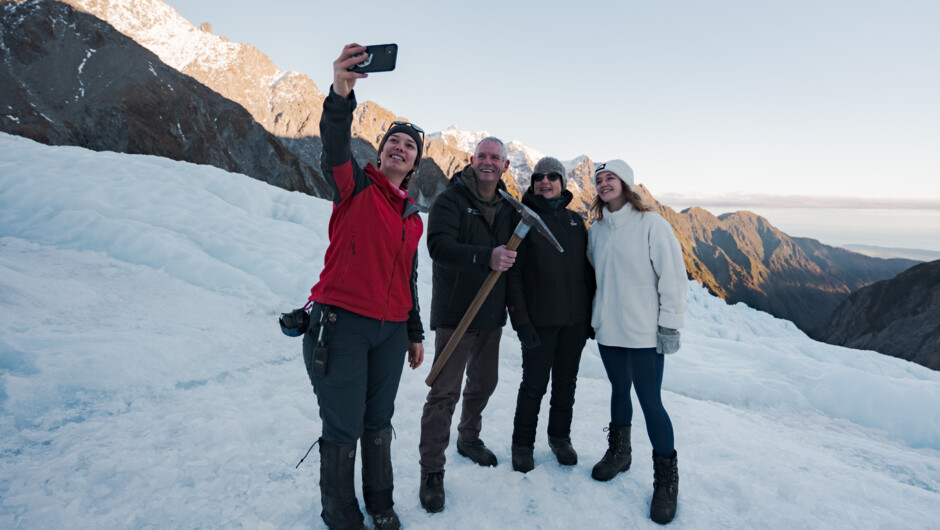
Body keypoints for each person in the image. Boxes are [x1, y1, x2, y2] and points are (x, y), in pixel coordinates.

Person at [301, 43, 425, 530]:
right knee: (344, 423)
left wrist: (413, 331)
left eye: (409, 146)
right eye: (393, 141)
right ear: (381, 151)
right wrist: (340, 93)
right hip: (342, 324)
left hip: (390, 332)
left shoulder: (411, 217)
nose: (399, 148)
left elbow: (408, 279)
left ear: (416, 164)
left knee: (378, 421)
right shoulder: (354, 185)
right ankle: (340, 512)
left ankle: (380, 501)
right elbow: (334, 140)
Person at [417, 136, 517, 513]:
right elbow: (439, 248)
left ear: (505, 166)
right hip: (457, 313)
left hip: (491, 316)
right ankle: (431, 472)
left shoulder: (510, 208)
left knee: (485, 382)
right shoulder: (450, 200)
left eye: (496, 158)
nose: (489, 162)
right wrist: (484, 257)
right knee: (444, 393)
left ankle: (468, 437)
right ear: (471, 160)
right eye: (483, 156)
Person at [586, 159, 687, 525]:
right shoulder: (596, 231)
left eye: (610, 177)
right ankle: (620, 454)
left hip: (644, 332)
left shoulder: (651, 225)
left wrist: (670, 325)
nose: (603, 184)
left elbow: (672, 277)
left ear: (626, 184)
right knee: (618, 390)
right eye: (598, 180)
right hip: (609, 331)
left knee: (650, 401)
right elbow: (594, 277)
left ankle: (666, 479)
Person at [505, 156, 594, 473]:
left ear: (562, 183)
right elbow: (513, 277)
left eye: (552, 176)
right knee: (534, 386)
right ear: (532, 183)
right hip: (539, 324)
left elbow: (587, 272)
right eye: (539, 176)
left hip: (574, 323)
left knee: (566, 385)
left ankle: (560, 437)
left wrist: (590, 318)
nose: (545, 181)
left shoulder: (575, 223)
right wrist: (521, 322)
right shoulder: (523, 220)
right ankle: (522, 445)